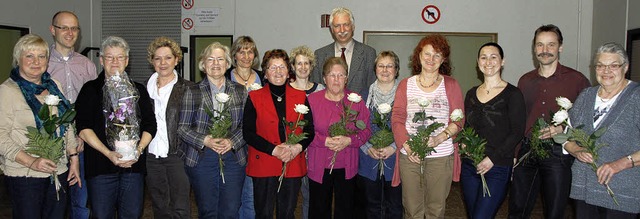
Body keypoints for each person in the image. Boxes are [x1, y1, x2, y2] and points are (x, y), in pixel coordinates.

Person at [508, 24, 590, 219]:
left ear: (560, 47)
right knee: (518, 208)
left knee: (555, 210)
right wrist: (515, 153)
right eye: (540, 45)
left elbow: (587, 118)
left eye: (550, 45)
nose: (545, 50)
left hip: (558, 151)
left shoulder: (577, 80)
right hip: (527, 150)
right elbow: (520, 120)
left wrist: (564, 128)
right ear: (534, 48)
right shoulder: (525, 81)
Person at [75, 36, 156, 218]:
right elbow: (83, 127)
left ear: (127, 61)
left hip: (133, 168)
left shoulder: (138, 90)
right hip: (101, 167)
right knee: (102, 215)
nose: (115, 62)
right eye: (109, 57)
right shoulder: (90, 90)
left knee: (132, 214)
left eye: (120, 57)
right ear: (101, 60)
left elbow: (150, 125)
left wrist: (139, 149)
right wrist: (108, 153)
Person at [0, 34, 80, 219]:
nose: (36, 62)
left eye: (41, 56)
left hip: (58, 171)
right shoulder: (7, 91)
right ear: (18, 59)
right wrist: (32, 161)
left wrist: (73, 157)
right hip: (25, 175)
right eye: (29, 56)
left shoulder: (54, 85)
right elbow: (1, 136)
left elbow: (65, 123)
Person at [390, 34, 465, 218]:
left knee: (435, 209)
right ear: (419, 55)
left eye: (437, 55)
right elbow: (397, 118)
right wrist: (406, 145)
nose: (431, 59)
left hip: (441, 156)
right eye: (427, 54)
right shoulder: (405, 85)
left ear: (443, 59)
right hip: (411, 156)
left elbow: (458, 119)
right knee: (412, 209)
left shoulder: (451, 85)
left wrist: (439, 138)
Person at [563, 42, 640, 218]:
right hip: (585, 188)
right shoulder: (586, 95)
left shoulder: (636, 97)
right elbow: (566, 133)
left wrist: (621, 163)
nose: (606, 71)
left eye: (613, 66)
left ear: (625, 67)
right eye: (600, 65)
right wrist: (575, 150)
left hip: (621, 191)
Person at [178, 42, 248, 219]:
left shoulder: (240, 91)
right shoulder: (192, 91)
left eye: (220, 59)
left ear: (227, 64)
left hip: (232, 157)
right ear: (203, 63)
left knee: (231, 209)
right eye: (210, 59)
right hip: (202, 157)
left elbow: (246, 126)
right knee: (208, 210)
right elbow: (182, 128)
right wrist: (205, 140)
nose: (215, 63)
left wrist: (232, 141)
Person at [243, 49, 315, 219]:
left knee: (287, 213)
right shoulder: (254, 97)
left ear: (288, 71)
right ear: (265, 73)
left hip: (291, 161)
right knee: (264, 213)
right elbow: (248, 133)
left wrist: (297, 148)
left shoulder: (300, 96)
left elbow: (309, 130)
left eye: (281, 67)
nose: (277, 72)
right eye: (272, 67)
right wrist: (274, 150)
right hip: (264, 162)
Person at [460, 43, 526, 218]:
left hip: (497, 166)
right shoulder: (471, 94)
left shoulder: (513, 94)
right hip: (470, 165)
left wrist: (492, 159)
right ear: (478, 62)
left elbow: (517, 132)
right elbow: (467, 128)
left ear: (502, 61)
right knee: (473, 214)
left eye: (493, 57)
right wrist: (464, 144)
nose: (488, 61)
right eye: (483, 57)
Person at [47, 11, 97, 219]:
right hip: (50, 144)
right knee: (53, 202)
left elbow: (95, 106)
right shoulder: (41, 63)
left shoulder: (87, 65)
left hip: (81, 142)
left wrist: (84, 136)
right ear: (53, 30)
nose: (70, 32)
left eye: (74, 28)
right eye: (64, 27)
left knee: (81, 201)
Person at [307, 57, 371, 219]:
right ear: (324, 78)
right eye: (332, 75)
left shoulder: (355, 101)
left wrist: (349, 140)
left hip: (347, 164)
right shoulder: (312, 100)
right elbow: (305, 131)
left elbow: (366, 131)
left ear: (346, 78)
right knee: (319, 209)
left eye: (341, 75)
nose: (336, 79)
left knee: (346, 210)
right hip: (319, 164)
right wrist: (325, 141)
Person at [145, 36, 193, 218]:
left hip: (177, 155)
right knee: (159, 206)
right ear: (152, 61)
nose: (162, 63)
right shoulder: (142, 89)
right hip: (151, 156)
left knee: (180, 207)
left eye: (168, 57)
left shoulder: (188, 89)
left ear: (177, 60)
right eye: (157, 58)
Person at [357, 51, 403, 219]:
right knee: (371, 206)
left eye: (389, 66)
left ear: (396, 70)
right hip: (369, 158)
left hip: (396, 157)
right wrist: (367, 147)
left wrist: (393, 147)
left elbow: (411, 127)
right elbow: (355, 127)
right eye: (381, 66)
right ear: (375, 69)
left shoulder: (405, 95)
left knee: (395, 206)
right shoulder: (363, 95)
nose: (385, 70)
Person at [288, 45, 323, 219]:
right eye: (299, 63)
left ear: (311, 66)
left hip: (315, 151)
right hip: (292, 151)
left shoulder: (321, 89)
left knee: (310, 196)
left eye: (306, 63)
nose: (303, 67)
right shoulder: (286, 90)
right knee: (290, 198)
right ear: (293, 66)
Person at [310, 7, 376, 95]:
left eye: (346, 25)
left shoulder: (368, 53)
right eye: (337, 26)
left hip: (359, 107)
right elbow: (316, 91)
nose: (342, 30)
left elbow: (372, 90)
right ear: (332, 29)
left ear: (353, 27)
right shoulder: (320, 55)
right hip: (327, 108)